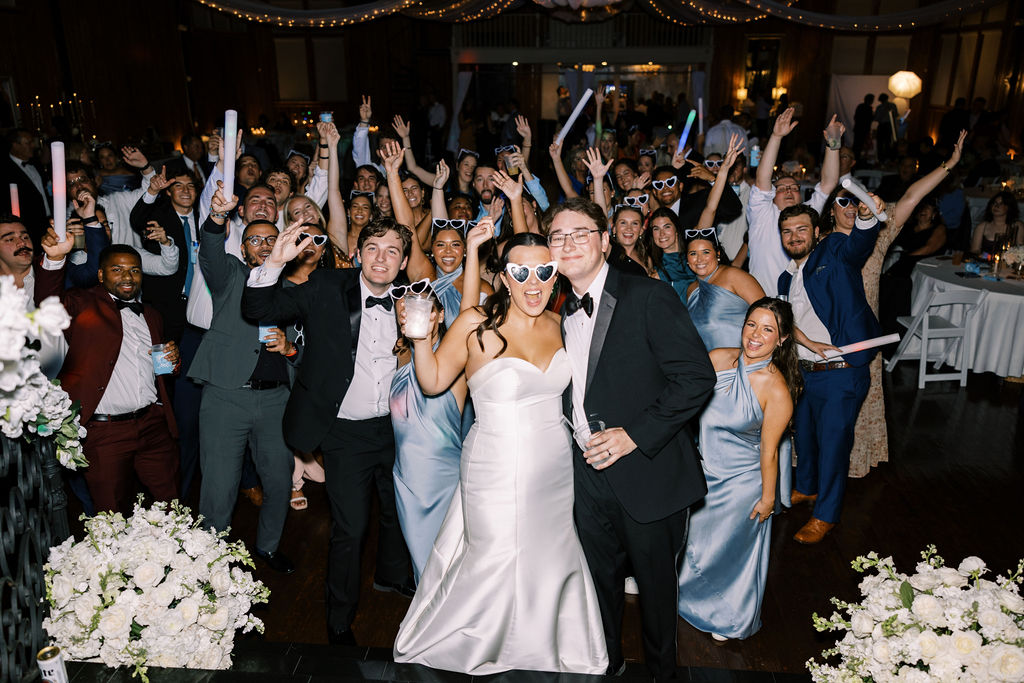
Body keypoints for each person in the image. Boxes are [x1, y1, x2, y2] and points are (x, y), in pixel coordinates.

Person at [393, 231, 608, 675]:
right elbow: (433, 382)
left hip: (554, 464)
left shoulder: (561, 323)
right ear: (505, 277)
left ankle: (542, 642)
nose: (534, 282)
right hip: (492, 462)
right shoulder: (475, 322)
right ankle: (477, 641)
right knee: (491, 554)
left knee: (549, 553)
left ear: (556, 277)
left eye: (544, 271)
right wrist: (420, 339)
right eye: (521, 271)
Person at [549, 197, 716, 680]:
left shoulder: (648, 296)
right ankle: (607, 665)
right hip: (585, 473)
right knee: (596, 585)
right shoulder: (555, 306)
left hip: (648, 470)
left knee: (656, 594)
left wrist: (634, 437)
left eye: (581, 233)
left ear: (605, 241)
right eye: (558, 236)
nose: (568, 243)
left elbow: (696, 378)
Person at [243, 216, 416, 647]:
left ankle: (391, 576)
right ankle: (339, 619)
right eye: (373, 247)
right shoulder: (325, 287)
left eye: (392, 250)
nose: (381, 258)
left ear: (405, 260)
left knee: (396, 511)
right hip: (345, 432)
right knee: (351, 527)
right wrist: (274, 265)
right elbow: (259, 310)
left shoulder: (413, 299)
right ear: (357, 253)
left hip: (398, 427)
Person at [189, 185, 298, 574]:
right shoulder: (231, 276)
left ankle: (268, 547)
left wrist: (290, 349)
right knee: (219, 486)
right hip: (225, 396)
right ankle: (211, 559)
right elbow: (211, 252)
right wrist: (217, 217)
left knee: (279, 482)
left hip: (275, 402)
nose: (265, 246)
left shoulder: (294, 289)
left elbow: (306, 349)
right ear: (245, 246)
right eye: (256, 239)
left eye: (273, 239)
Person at [677, 297, 798, 641]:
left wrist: (768, 499)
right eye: (751, 324)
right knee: (694, 542)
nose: (756, 335)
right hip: (702, 470)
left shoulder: (776, 390)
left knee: (727, 551)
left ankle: (727, 615)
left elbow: (770, 452)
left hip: (741, 483)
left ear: (783, 339)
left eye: (768, 329)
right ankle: (682, 596)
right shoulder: (717, 359)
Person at [845, 133, 964, 478]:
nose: (857, 207)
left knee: (861, 401)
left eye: (864, 202)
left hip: (864, 332)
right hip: (823, 332)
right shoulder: (828, 239)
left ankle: (854, 462)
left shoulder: (880, 236)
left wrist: (949, 165)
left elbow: (913, 195)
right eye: (849, 203)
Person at [36, 234, 180, 515]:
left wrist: (173, 362)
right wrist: (54, 260)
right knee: (111, 513)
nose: (128, 276)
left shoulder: (151, 314)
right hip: (105, 432)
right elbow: (47, 305)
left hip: (153, 425)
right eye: (118, 269)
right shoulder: (81, 303)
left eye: (134, 270)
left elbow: (157, 370)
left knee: (171, 504)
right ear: (100, 274)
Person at [776, 196, 883, 545]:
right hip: (804, 373)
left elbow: (860, 244)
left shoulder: (834, 253)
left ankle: (826, 515)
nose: (793, 237)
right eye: (786, 231)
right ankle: (806, 488)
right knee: (804, 437)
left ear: (817, 232)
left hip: (840, 373)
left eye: (801, 229)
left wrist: (866, 219)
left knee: (834, 445)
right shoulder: (785, 279)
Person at [389, 277, 467, 584]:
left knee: (447, 566)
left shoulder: (453, 360)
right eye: (407, 308)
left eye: (424, 308)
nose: (415, 314)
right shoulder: (402, 355)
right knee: (422, 567)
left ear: (439, 314)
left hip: (442, 482)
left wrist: (472, 250)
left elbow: (469, 308)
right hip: (406, 479)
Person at [747, 109, 841, 296]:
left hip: (802, 303)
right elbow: (762, 179)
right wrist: (776, 136)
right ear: (772, 195)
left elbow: (829, 183)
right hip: (763, 302)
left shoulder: (807, 213)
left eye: (794, 188)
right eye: (781, 188)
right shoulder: (762, 214)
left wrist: (834, 142)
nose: (789, 190)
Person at [969, 190, 1023, 255]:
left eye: (1001, 204)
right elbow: (975, 250)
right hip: (985, 263)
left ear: (1009, 207)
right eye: (995, 203)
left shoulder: (1017, 226)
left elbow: (1021, 251)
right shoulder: (982, 226)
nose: (996, 206)